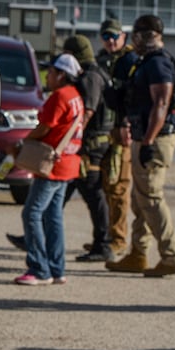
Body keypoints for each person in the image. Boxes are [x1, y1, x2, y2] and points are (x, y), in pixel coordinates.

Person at [105, 15, 175, 277]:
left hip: (155, 138)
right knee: (140, 199)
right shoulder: (146, 63)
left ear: (146, 35)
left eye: (137, 35)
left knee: (150, 196)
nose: (134, 40)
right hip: (145, 136)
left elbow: (161, 103)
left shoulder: (159, 64)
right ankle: (138, 254)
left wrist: (149, 140)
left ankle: (171, 255)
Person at [13, 53, 84, 285]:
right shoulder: (76, 96)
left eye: (51, 72)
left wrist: (25, 141)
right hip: (68, 162)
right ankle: (56, 267)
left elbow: (45, 127)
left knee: (31, 213)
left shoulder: (60, 96)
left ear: (62, 75)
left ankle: (39, 268)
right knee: (53, 217)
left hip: (52, 164)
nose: (48, 75)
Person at [63, 34, 116, 262]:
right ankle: (35, 234)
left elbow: (88, 111)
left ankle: (103, 244)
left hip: (90, 145)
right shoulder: (96, 72)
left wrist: (72, 138)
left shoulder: (91, 77)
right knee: (63, 189)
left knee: (92, 193)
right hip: (93, 142)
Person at [96, 18, 135, 256]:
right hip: (102, 131)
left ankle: (119, 238)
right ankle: (105, 236)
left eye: (115, 36)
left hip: (121, 131)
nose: (111, 41)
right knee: (103, 186)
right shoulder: (101, 61)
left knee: (119, 186)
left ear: (124, 37)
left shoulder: (129, 61)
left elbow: (132, 97)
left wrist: (125, 124)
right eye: (106, 36)